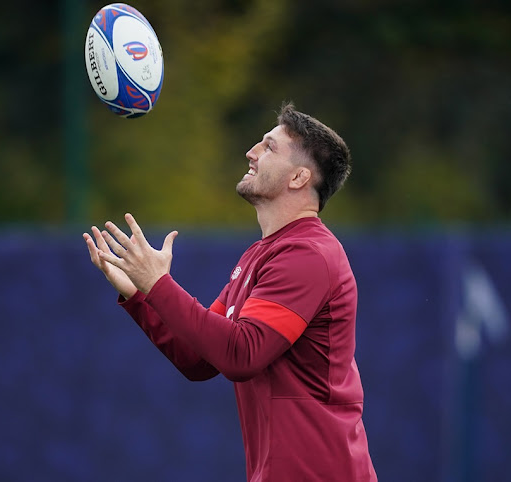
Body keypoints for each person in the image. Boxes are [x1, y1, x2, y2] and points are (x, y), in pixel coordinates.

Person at [83, 103, 377, 481]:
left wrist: (159, 283)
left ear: (299, 177)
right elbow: (198, 358)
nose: (251, 152)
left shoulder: (308, 253)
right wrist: (141, 293)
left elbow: (242, 355)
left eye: (269, 147)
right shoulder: (264, 254)